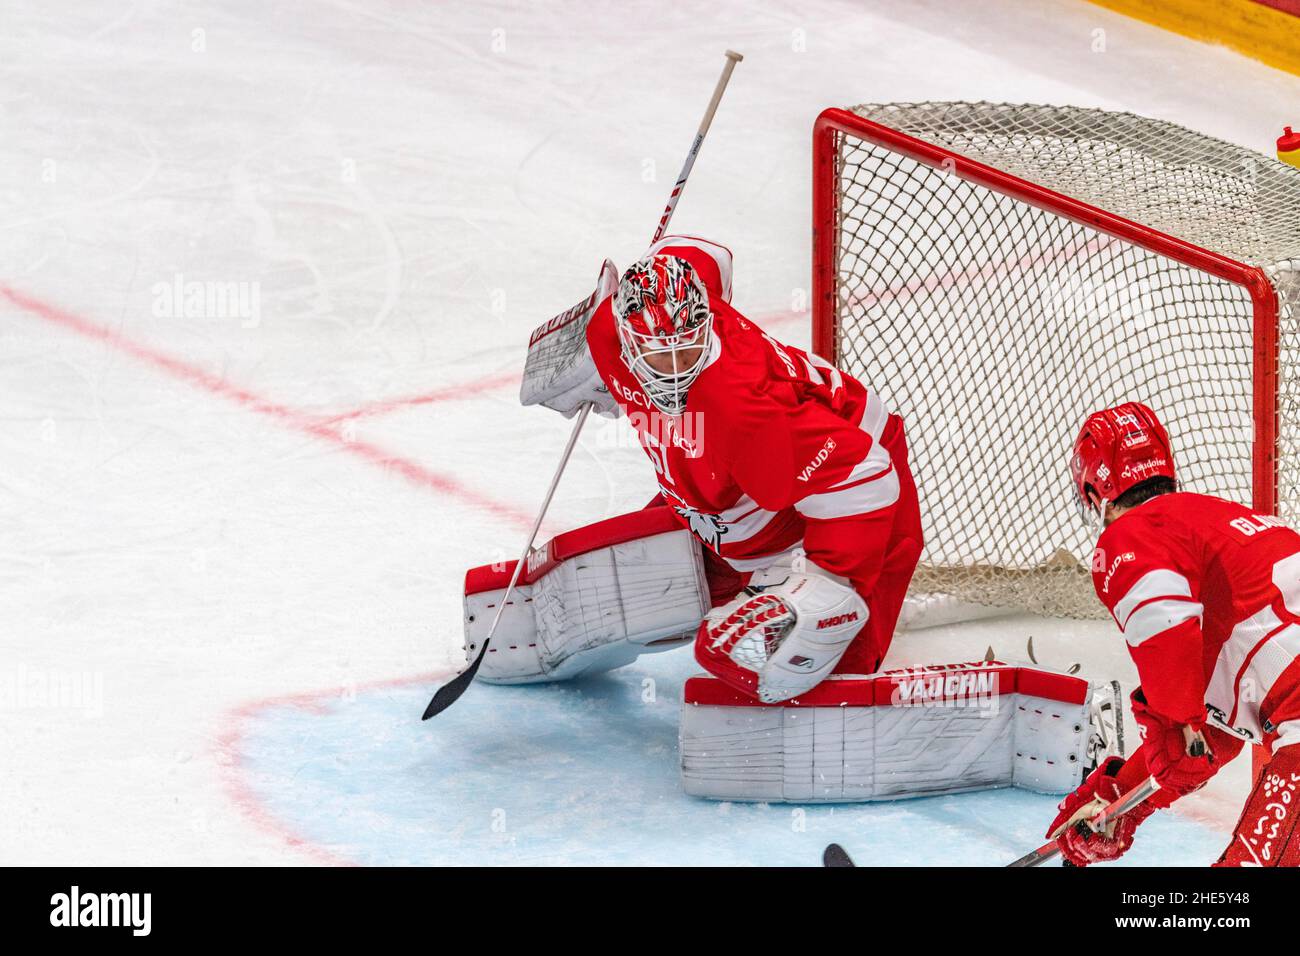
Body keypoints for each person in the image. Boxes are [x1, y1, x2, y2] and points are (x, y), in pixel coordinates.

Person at [1049, 401, 1300, 866]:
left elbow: (1163, 622)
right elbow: (1208, 739)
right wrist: (1119, 798)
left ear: (1093, 490)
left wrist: (1176, 720)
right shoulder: (1220, 524)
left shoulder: (1133, 535)